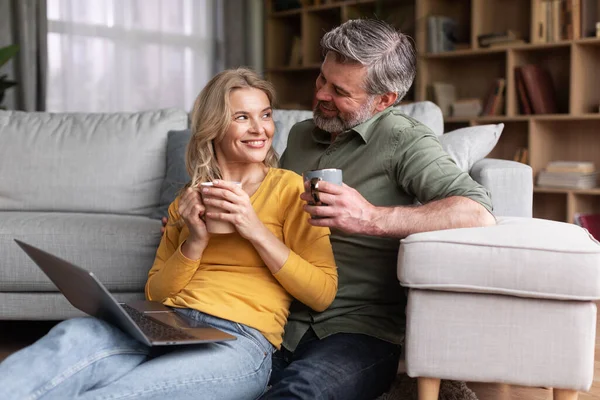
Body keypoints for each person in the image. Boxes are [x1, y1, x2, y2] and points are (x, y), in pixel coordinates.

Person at [0, 68, 337, 400]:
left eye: (265, 115)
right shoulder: (188, 200)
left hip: (239, 340)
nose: (260, 129)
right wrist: (195, 240)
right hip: (168, 324)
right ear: (214, 126)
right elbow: (157, 291)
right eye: (242, 117)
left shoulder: (293, 190)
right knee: (72, 336)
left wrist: (256, 231)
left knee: (117, 394)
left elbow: (321, 292)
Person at [259, 19, 497, 399]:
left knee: (300, 394)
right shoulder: (302, 134)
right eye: (322, 79)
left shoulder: (403, 139)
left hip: (358, 328)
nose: (320, 94)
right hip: (275, 311)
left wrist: (370, 217)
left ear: (384, 99)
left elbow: (477, 212)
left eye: (339, 91)